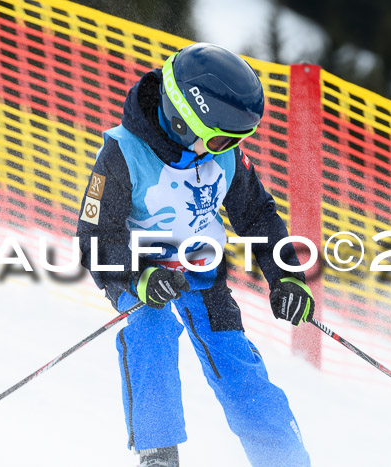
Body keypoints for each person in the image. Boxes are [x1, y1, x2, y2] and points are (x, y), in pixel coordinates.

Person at [77, 42, 314, 467]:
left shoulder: (223, 156)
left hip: (200, 270)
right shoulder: (122, 154)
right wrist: (138, 278)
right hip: (138, 269)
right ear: (184, 122)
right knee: (151, 330)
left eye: (236, 140)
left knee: (234, 357)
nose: (228, 149)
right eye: (222, 138)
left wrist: (285, 276)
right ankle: (159, 455)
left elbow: (257, 213)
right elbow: (95, 236)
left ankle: (283, 459)